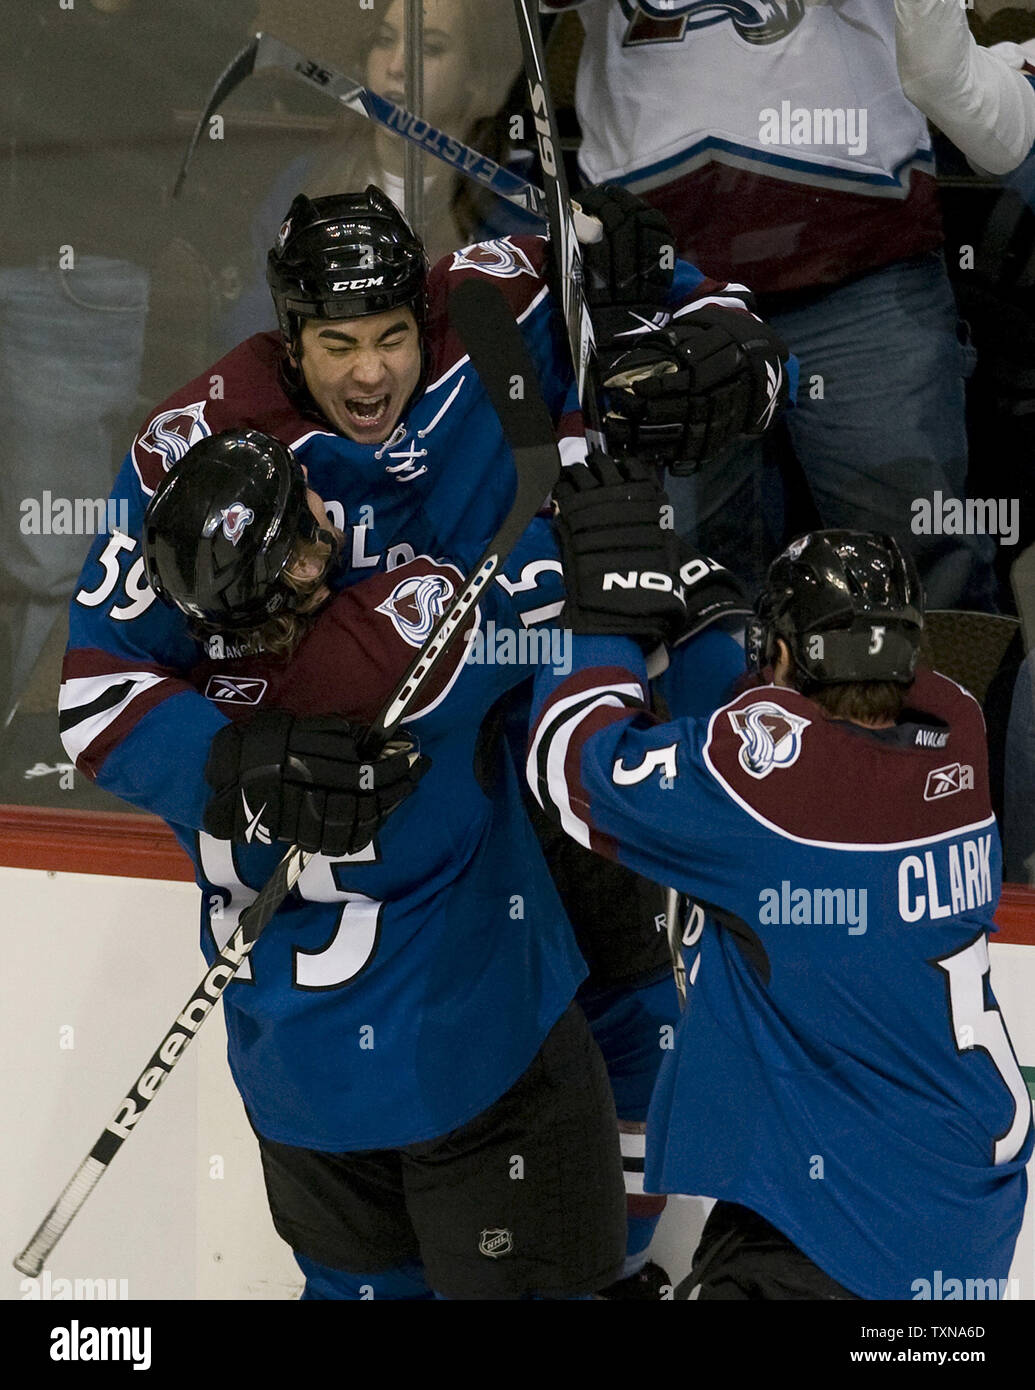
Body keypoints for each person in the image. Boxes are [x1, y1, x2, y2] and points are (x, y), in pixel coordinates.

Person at [59, 184, 790, 1294]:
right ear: (284, 334)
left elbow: (655, 294)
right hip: (490, 749)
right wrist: (230, 762)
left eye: (393, 336)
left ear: (424, 313)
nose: (370, 375)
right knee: (607, 995)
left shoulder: (490, 301)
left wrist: (712, 330)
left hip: (489, 755)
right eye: (336, 344)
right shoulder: (195, 447)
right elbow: (97, 690)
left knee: (630, 979)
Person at [134, 426, 626, 1299]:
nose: (323, 492)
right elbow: (571, 555)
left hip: (299, 1094)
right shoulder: (405, 633)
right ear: (296, 566)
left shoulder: (175, 718)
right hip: (472, 1067)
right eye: (305, 500)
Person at [527, 457, 1034, 1298]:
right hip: (954, 1217)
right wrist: (689, 600)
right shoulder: (957, 725)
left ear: (787, 653)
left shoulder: (766, 801)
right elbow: (780, 729)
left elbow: (569, 764)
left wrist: (598, 612)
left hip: (843, 1235)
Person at [542, 0, 1001, 610]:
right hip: (665, 278)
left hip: (862, 256)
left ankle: (938, 709)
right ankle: (722, 708)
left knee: (917, 565)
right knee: (686, 578)